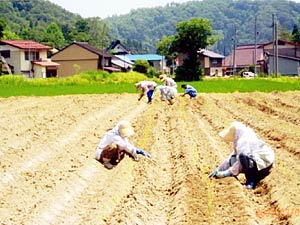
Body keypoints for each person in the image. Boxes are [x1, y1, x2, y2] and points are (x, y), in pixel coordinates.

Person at [209, 121, 275, 189]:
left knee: (243, 157)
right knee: (235, 158)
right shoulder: (241, 137)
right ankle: (253, 177)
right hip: (258, 163)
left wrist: (228, 172)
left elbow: (241, 160)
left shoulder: (244, 140)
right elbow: (232, 157)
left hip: (264, 164)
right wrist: (220, 169)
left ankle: (251, 181)